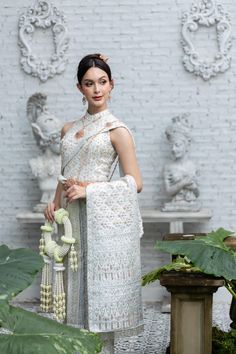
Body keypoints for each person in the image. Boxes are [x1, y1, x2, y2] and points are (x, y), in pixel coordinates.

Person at [44, 53, 144, 353]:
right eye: (89, 83)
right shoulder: (67, 130)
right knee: (71, 293)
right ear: (80, 88)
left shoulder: (117, 130)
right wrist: (53, 202)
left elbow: (135, 183)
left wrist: (91, 191)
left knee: (96, 294)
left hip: (100, 221)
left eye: (102, 82)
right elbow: (63, 175)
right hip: (69, 218)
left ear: (112, 85)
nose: (97, 89)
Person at [162, 114, 200, 212]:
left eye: (177, 145)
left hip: (190, 203)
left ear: (186, 145)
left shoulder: (193, 166)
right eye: (172, 146)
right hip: (175, 203)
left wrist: (193, 187)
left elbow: (197, 193)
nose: (173, 149)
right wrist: (183, 183)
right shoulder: (168, 167)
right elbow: (168, 192)